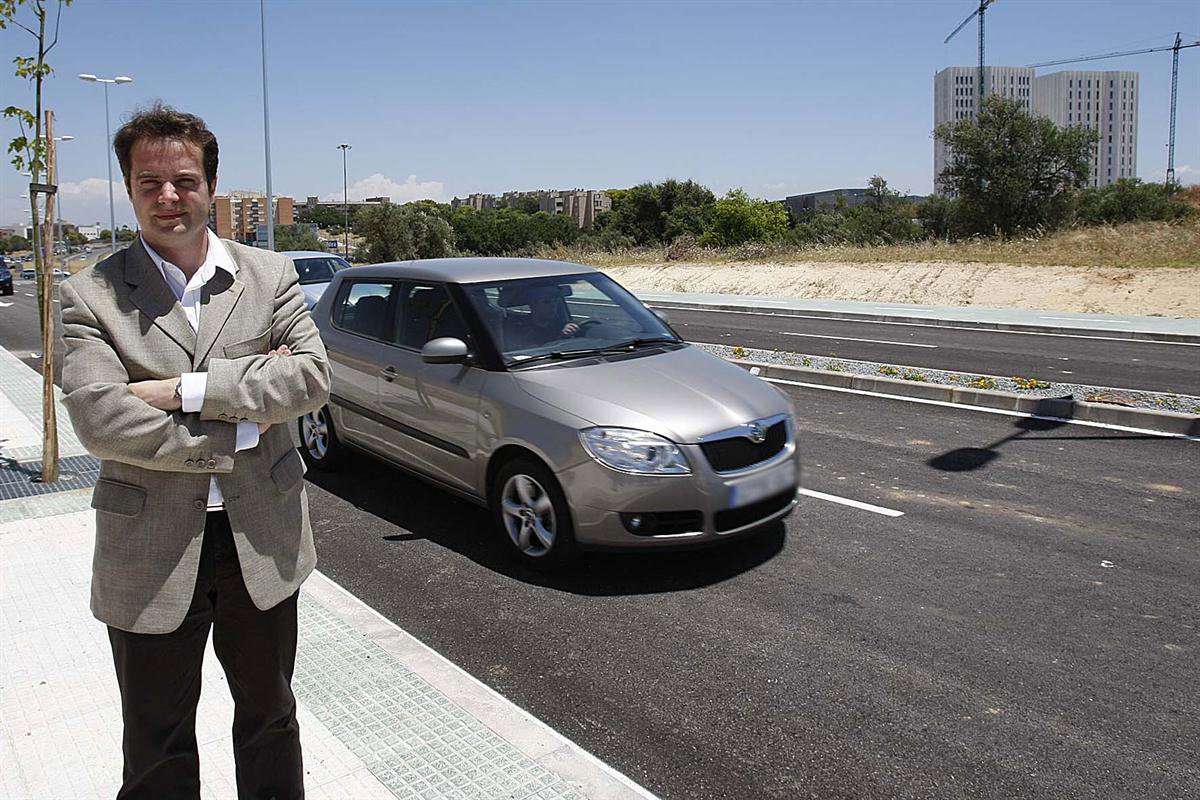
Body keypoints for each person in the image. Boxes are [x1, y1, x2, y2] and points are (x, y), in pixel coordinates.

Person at [58, 103, 330, 799]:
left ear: (211, 185)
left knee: (272, 720)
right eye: (149, 183)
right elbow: (99, 418)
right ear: (128, 188)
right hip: (148, 549)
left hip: (261, 541)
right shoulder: (89, 294)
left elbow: (308, 378)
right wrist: (242, 422)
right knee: (156, 743)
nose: (168, 197)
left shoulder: (270, 275)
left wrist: (181, 389)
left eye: (184, 180)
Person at [504, 284, 581, 348]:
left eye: (555, 301)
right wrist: (561, 337)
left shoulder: (559, 324)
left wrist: (570, 327)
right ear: (533, 304)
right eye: (547, 302)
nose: (553, 306)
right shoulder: (519, 329)